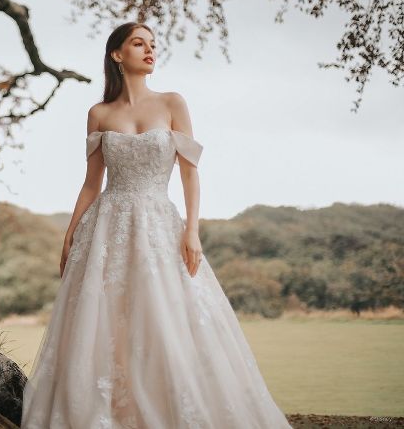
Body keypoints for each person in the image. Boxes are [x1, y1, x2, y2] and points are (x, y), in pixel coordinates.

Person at [20, 22, 292, 428]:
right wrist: (69, 234)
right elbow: (92, 182)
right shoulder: (99, 113)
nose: (150, 51)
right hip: (107, 228)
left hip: (159, 223)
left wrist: (192, 230)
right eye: (139, 43)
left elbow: (190, 174)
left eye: (153, 45)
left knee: (167, 316)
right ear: (117, 54)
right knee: (105, 319)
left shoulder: (172, 103)